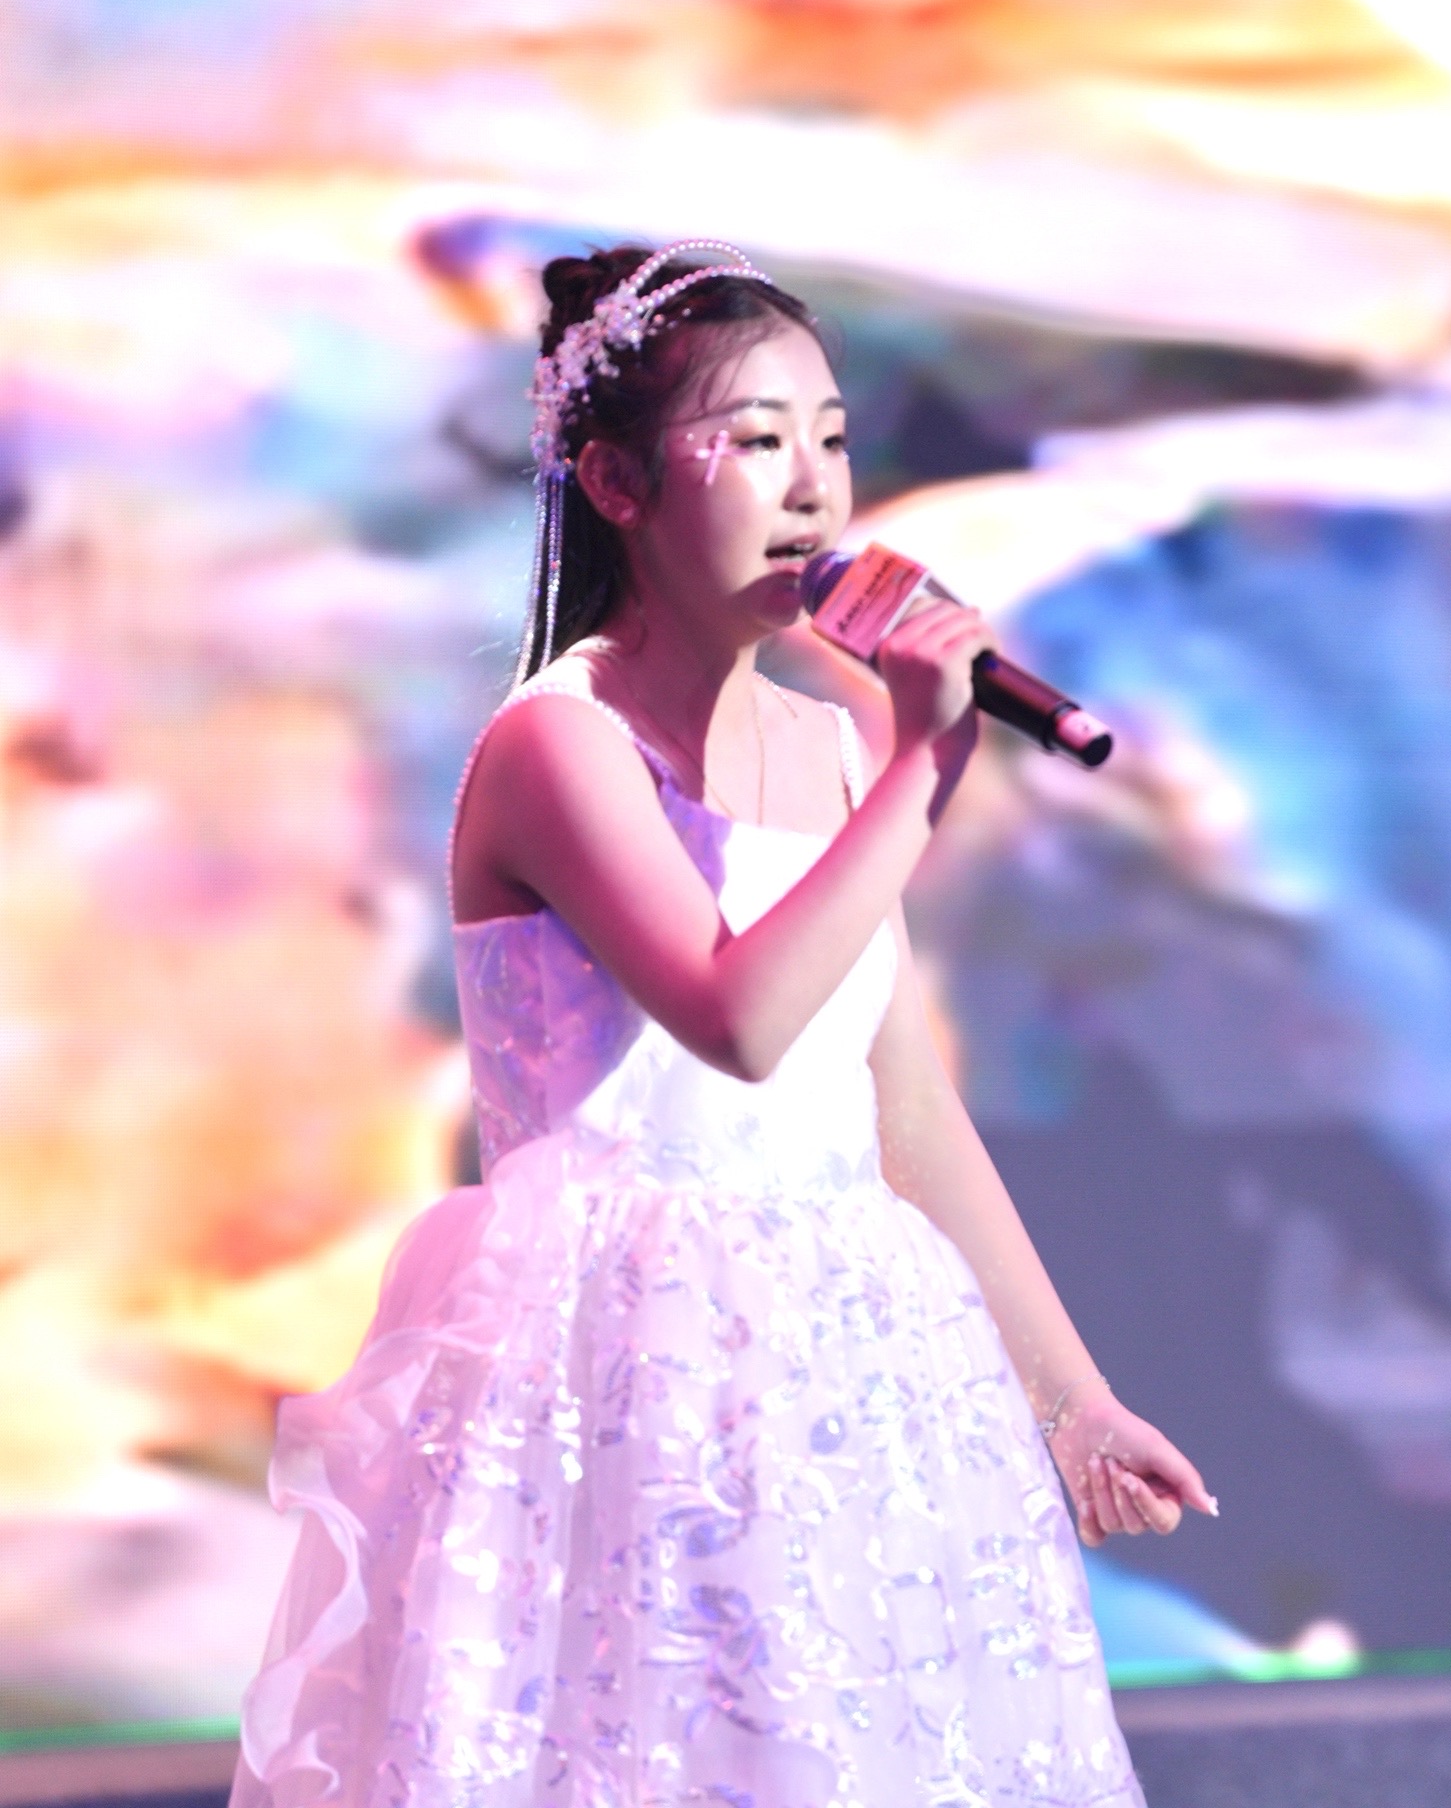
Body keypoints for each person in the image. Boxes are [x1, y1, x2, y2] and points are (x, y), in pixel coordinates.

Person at [231, 243, 1209, 1808]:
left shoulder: (829, 749)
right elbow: (733, 1020)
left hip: (845, 1369)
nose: (812, 487)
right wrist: (924, 771)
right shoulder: (560, 745)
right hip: (623, 1378)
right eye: (756, 440)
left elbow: (902, 1103)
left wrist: (1074, 1400)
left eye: (831, 438)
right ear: (617, 483)